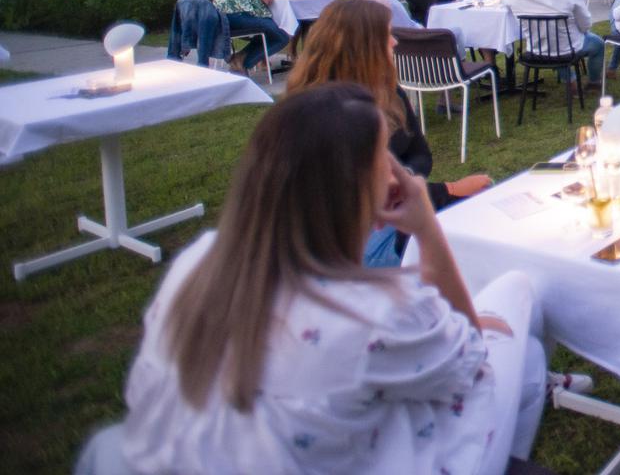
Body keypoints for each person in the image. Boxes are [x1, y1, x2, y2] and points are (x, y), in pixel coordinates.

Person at [118, 83, 572, 475]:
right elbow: (470, 368)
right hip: (418, 454)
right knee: (518, 301)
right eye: (384, 158)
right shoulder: (373, 309)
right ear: (357, 186)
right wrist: (427, 228)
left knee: (520, 344)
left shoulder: (198, 261)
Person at [285, 0, 492, 265]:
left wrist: (401, 182)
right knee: (470, 242)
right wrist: (450, 189)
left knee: (481, 217)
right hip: (347, 240)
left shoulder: (388, 91)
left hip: (394, 212)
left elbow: (421, 155)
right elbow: (361, 196)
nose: (395, 42)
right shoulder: (325, 112)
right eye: (386, 35)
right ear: (360, 46)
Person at [504, 0, 605, 87]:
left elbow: (505, 10)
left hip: (535, 49)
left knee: (554, 39)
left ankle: (569, 80)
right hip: (568, 48)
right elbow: (586, 24)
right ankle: (593, 82)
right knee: (597, 44)